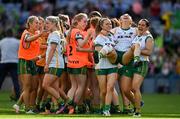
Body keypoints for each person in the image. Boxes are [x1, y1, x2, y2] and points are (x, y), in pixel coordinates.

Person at [13, 16, 45, 113]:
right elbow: (28, 39)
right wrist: (40, 35)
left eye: (38, 23)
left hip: (32, 62)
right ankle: (27, 108)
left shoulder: (36, 33)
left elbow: (39, 45)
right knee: (27, 87)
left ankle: (27, 106)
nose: (38, 25)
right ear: (30, 24)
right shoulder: (26, 33)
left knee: (34, 87)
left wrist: (50, 45)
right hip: (24, 61)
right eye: (36, 23)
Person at [66, 13, 92, 114]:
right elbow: (81, 44)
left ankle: (69, 106)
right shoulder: (77, 32)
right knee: (81, 86)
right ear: (78, 22)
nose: (86, 24)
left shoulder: (70, 31)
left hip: (70, 62)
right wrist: (89, 35)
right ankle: (73, 107)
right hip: (79, 63)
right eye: (84, 21)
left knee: (73, 86)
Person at [42, 16, 68, 114]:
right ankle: (70, 104)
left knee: (45, 85)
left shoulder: (54, 34)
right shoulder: (57, 34)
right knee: (56, 88)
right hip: (57, 63)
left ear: (54, 24)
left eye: (47, 23)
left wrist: (47, 64)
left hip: (55, 64)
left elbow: (52, 50)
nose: (46, 25)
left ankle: (62, 104)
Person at [94, 18, 119, 116]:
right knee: (103, 90)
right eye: (107, 24)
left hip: (112, 65)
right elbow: (97, 49)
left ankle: (106, 109)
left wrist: (114, 55)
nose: (109, 25)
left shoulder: (112, 36)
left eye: (110, 24)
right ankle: (102, 107)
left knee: (110, 88)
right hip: (101, 65)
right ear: (102, 26)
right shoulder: (99, 38)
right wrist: (111, 54)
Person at [131, 19, 154, 117]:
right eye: (139, 24)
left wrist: (138, 50)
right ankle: (138, 104)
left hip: (142, 63)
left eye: (143, 25)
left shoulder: (148, 37)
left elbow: (149, 52)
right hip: (133, 62)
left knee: (135, 87)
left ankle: (138, 111)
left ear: (147, 27)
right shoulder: (137, 36)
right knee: (129, 88)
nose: (140, 26)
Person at [0, 29, 20, 101]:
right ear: (13, 33)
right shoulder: (17, 42)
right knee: (15, 81)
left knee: (0, 80)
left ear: (6, 34)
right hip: (14, 62)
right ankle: (18, 97)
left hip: (4, 62)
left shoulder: (2, 42)